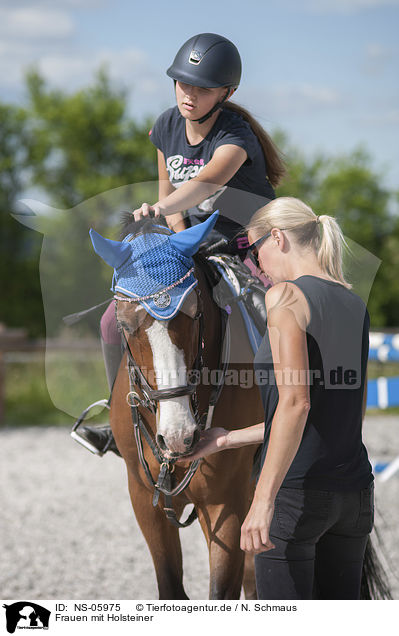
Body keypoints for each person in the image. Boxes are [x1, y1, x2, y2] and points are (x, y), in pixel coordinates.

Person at [73, 32, 285, 455]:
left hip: (248, 242)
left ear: (225, 92)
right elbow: (171, 195)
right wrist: (171, 233)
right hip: (189, 241)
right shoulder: (166, 126)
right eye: (182, 83)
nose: (189, 95)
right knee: (113, 320)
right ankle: (118, 418)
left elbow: (203, 183)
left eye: (202, 88)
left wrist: (157, 208)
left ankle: (286, 418)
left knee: (277, 310)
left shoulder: (236, 137)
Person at [180, 196, 374, 600]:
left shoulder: (285, 297)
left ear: (278, 238)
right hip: (354, 497)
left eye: (254, 251)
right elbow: (334, 411)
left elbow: (296, 404)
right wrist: (228, 438)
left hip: (297, 498)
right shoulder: (354, 302)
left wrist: (263, 500)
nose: (255, 264)